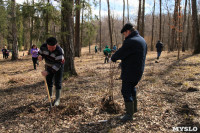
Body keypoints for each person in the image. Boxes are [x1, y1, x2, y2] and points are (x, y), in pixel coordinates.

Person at [111, 23, 147, 121]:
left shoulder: (131, 41)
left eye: (124, 34)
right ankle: (134, 109)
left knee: (126, 91)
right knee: (132, 88)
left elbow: (121, 53)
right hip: (138, 71)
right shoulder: (142, 40)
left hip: (130, 71)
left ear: (128, 31)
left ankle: (129, 114)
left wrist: (113, 58)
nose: (124, 36)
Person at [38, 37, 65, 106]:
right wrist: (40, 56)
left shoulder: (59, 51)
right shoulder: (43, 47)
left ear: (56, 45)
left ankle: (57, 99)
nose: (51, 49)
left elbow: (58, 64)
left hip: (58, 66)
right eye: (49, 47)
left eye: (53, 48)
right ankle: (49, 96)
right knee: (48, 80)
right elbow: (40, 53)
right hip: (48, 65)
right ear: (47, 45)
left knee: (57, 82)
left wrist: (48, 72)